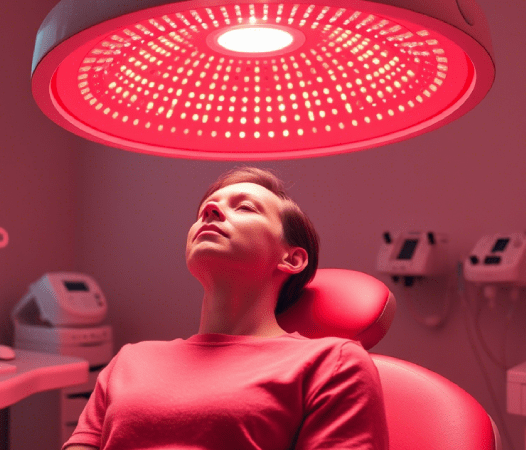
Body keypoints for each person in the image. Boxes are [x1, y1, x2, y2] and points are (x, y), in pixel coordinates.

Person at [63, 167, 388, 450]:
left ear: (292, 258)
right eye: (205, 209)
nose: (211, 211)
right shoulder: (129, 361)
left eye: (245, 208)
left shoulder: (332, 363)